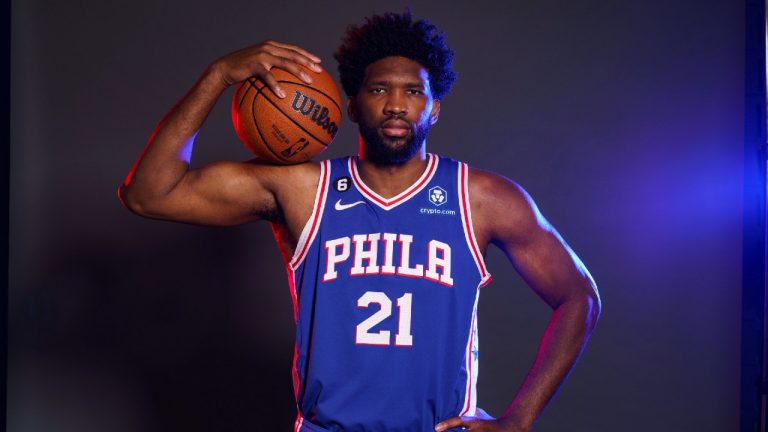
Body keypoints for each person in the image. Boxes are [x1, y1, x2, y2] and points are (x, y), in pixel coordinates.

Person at [119, 11, 600, 432]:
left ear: (434, 109)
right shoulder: (304, 190)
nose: (396, 105)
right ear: (350, 105)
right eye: (379, 89)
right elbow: (149, 194)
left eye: (413, 91)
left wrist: (519, 419)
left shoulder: (482, 199)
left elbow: (579, 297)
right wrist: (219, 75)